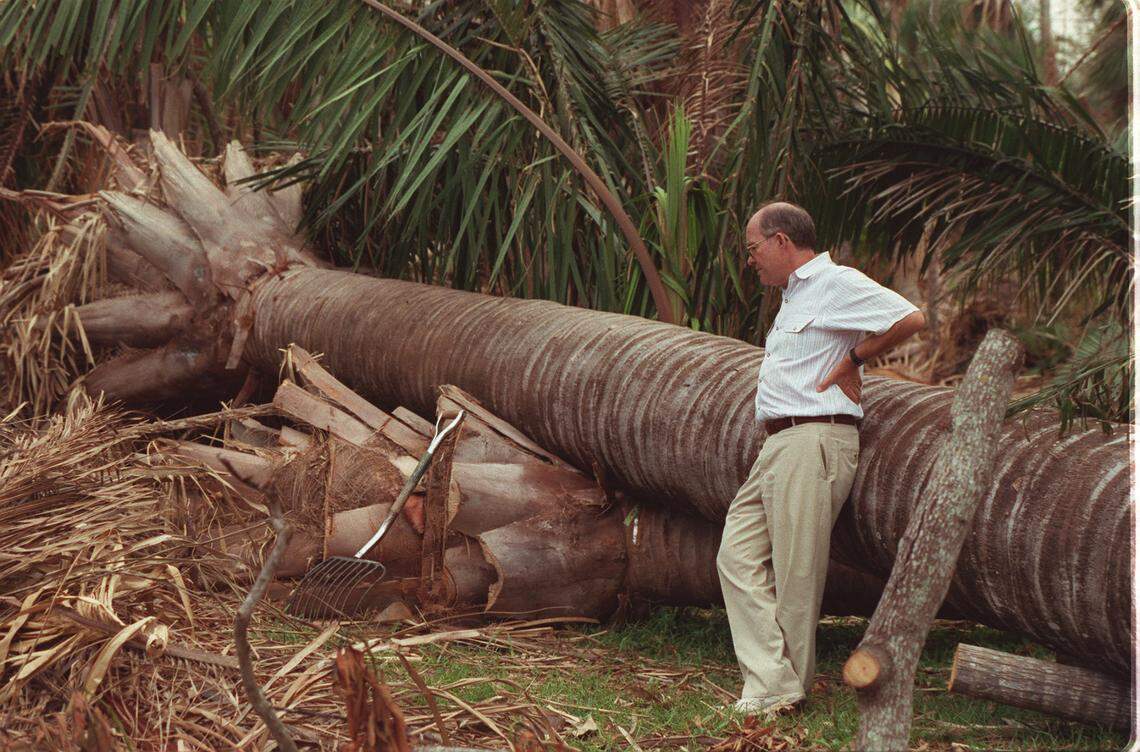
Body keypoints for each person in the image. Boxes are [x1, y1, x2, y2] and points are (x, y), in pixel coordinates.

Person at [717, 202, 926, 716]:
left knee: (796, 572)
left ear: (782, 241)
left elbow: (911, 316)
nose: (751, 260)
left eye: (753, 249)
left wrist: (854, 360)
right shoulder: (794, 297)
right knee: (736, 556)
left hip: (815, 440)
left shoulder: (834, 282)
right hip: (780, 443)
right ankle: (775, 679)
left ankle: (778, 692)